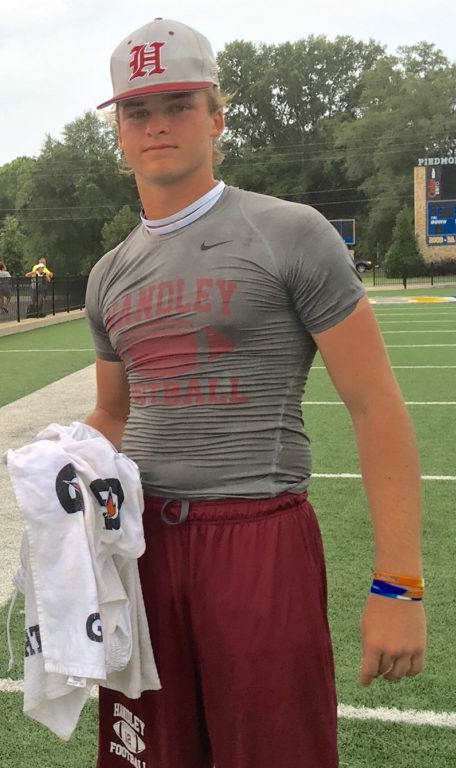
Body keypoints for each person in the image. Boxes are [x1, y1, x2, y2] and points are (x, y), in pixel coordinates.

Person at [84, 18, 426, 768]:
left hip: (256, 539)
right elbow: (113, 413)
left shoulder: (291, 233)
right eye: (138, 111)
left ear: (217, 115)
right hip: (139, 552)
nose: (157, 125)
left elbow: (377, 407)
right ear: (118, 130)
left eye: (178, 104)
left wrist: (398, 582)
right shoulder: (108, 272)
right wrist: (58, 472)